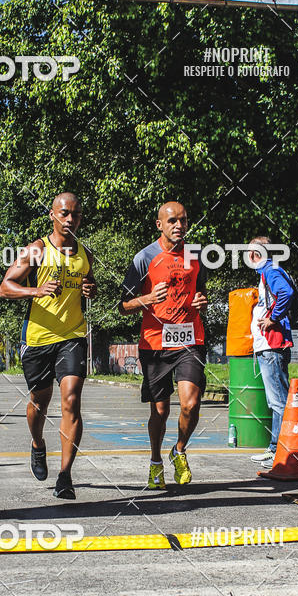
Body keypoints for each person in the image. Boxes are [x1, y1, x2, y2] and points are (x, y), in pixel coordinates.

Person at [0, 192, 96, 500]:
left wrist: (91, 289)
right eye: (65, 214)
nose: (70, 220)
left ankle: (65, 476)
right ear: (52, 215)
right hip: (39, 338)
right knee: (39, 403)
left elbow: (88, 284)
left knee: (71, 399)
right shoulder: (37, 250)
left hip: (73, 335)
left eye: (76, 215)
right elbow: (5, 287)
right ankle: (38, 444)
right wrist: (36, 290)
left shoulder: (84, 252)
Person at [119, 201, 208, 489]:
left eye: (183, 220)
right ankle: (156, 461)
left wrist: (201, 301)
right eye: (172, 221)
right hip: (155, 342)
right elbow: (123, 305)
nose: (179, 226)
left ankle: (179, 450)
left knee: (190, 403)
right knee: (160, 411)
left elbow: (201, 292)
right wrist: (147, 299)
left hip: (189, 338)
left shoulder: (196, 255)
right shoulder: (144, 258)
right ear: (160, 224)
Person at [248, 236, 294, 466]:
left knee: (278, 401)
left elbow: (286, 293)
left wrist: (272, 319)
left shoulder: (270, 271)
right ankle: (276, 448)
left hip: (272, 345)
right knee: (275, 400)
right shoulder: (269, 271)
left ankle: (281, 450)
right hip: (269, 346)